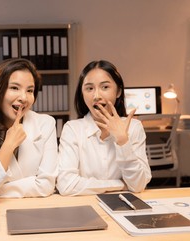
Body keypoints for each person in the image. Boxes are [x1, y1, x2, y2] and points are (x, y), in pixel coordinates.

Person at [0, 58, 58, 203]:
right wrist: (8, 145)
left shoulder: (46, 124)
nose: (23, 98)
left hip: (31, 208)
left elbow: (46, 185)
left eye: (30, 90)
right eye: (14, 88)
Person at [57, 60, 151, 196]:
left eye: (105, 87)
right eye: (89, 88)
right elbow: (66, 185)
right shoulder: (72, 129)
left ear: (118, 91)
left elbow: (138, 185)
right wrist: (119, 184)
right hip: (85, 207)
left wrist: (123, 141)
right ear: (82, 94)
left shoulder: (134, 127)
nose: (96, 96)